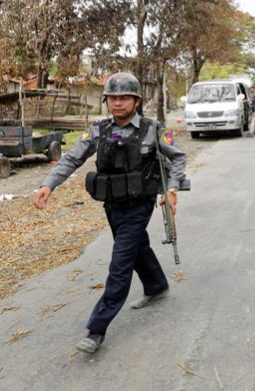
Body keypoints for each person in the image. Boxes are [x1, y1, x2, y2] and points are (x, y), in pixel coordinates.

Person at [32, 72, 187, 354]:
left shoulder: (154, 129)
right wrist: (48, 185)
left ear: (136, 101)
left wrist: (172, 190)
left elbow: (177, 158)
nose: (117, 103)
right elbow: (71, 158)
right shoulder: (98, 130)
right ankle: (156, 285)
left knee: (120, 263)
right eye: (112, 98)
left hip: (140, 204)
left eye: (124, 97)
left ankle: (96, 328)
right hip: (112, 204)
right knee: (136, 248)